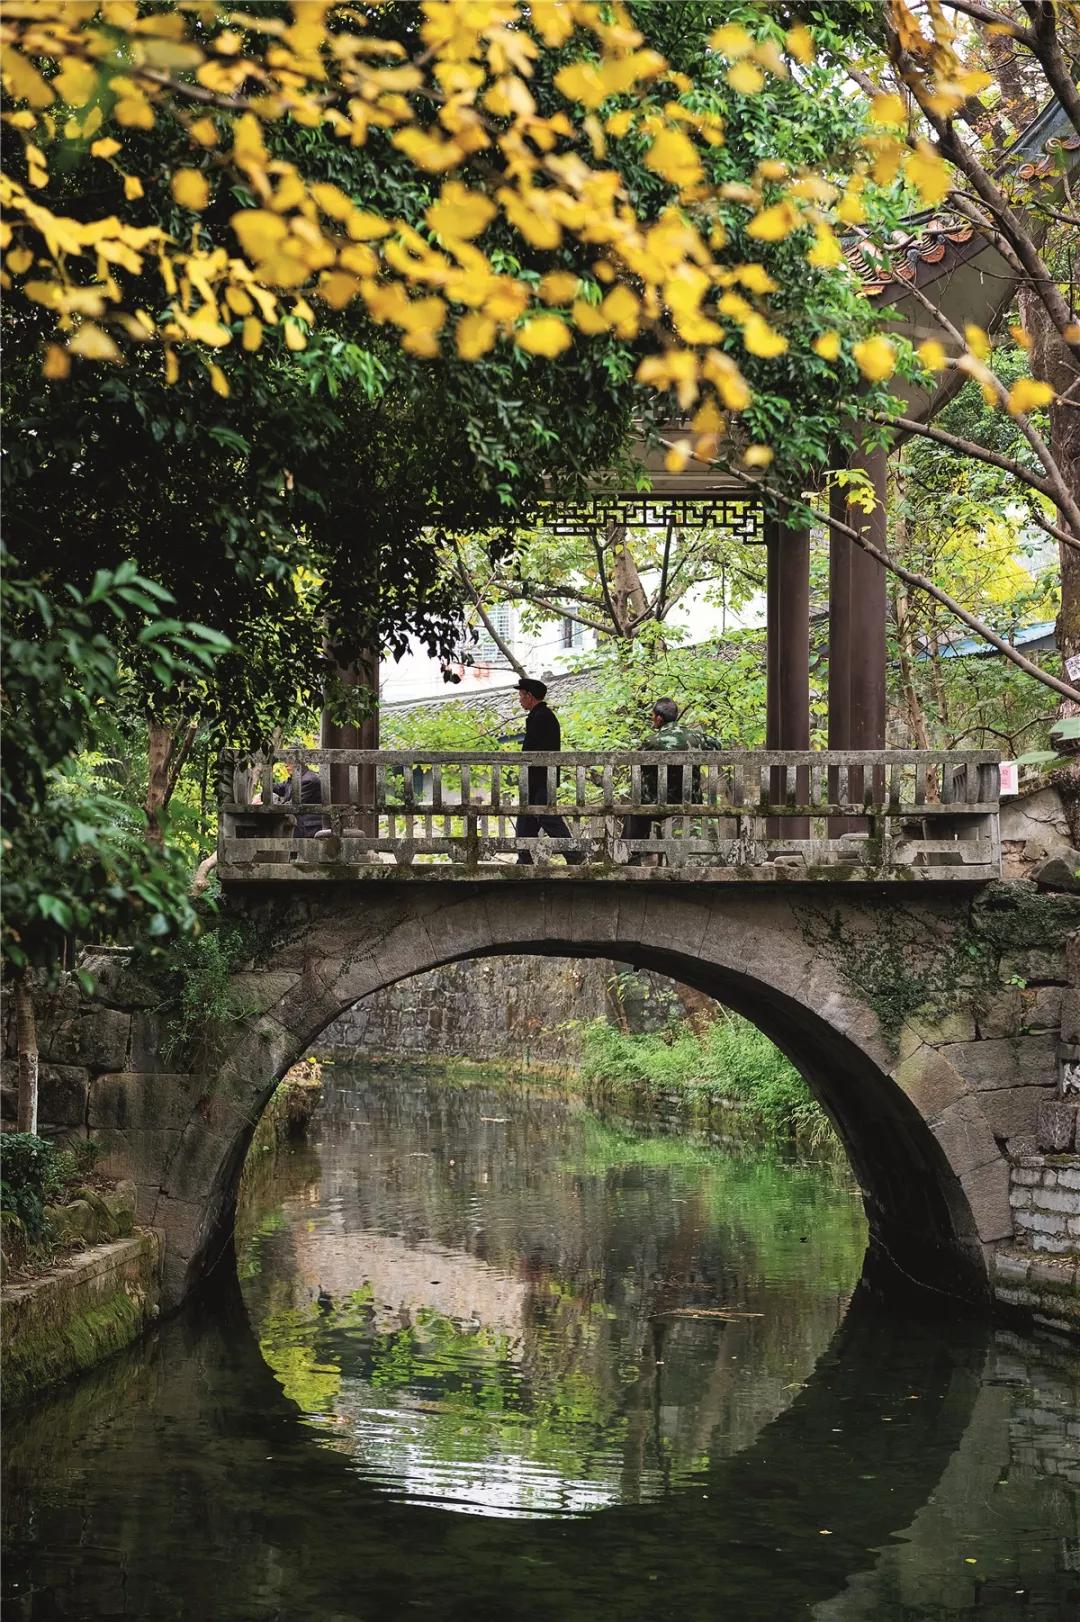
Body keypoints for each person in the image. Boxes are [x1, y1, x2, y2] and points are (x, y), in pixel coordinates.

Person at [622, 697, 714, 863]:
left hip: (659, 803)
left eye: (652, 716)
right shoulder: (697, 737)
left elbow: (636, 765)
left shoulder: (652, 741)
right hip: (691, 800)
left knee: (635, 808)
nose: (652, 719)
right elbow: (717, 746)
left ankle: (630, 856)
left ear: (659, 718)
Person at [514, 677, 582, 864]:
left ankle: (574, 854)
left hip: (541, 778)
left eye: (521, 695)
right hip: (538, 778)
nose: (520, 700)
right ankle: (524, 860)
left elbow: (533, 751)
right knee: (527, 818)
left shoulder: (541, 717)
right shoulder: (541, 715)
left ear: (529, 696)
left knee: (546, 816)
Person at [273, 756, 325, 839]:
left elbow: (292, 805)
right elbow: (277, 788)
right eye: (285, 762)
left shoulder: (309, 780)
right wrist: (262, 794)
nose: (286, 765)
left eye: (290, 761)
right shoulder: (294, 778)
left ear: (299, 762)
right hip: (298, 825)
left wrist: (275, 802)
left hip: (308, 828)